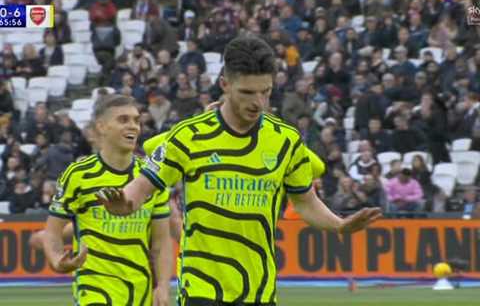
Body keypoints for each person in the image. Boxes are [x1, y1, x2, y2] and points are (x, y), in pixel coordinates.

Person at [97, 35, 381, 306]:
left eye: (265, 92)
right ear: (225, 84)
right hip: (201, 288)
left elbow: (305, 202)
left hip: (259, 290)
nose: (258, 102)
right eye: (247, 92)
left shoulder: (286, 140)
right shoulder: (189, 136)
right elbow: (141, 187)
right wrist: (125, 202)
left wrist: (339, 225)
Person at [43, 95, 172, 306]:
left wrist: (163, 286)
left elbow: (161, 242)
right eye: (123, 120)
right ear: (101, 127)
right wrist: (58, 261)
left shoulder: (150, 176)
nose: (134, 126)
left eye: (136, 120)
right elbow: (52, 232)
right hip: (95, 288)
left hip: (141, 291)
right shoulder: (78, 175)